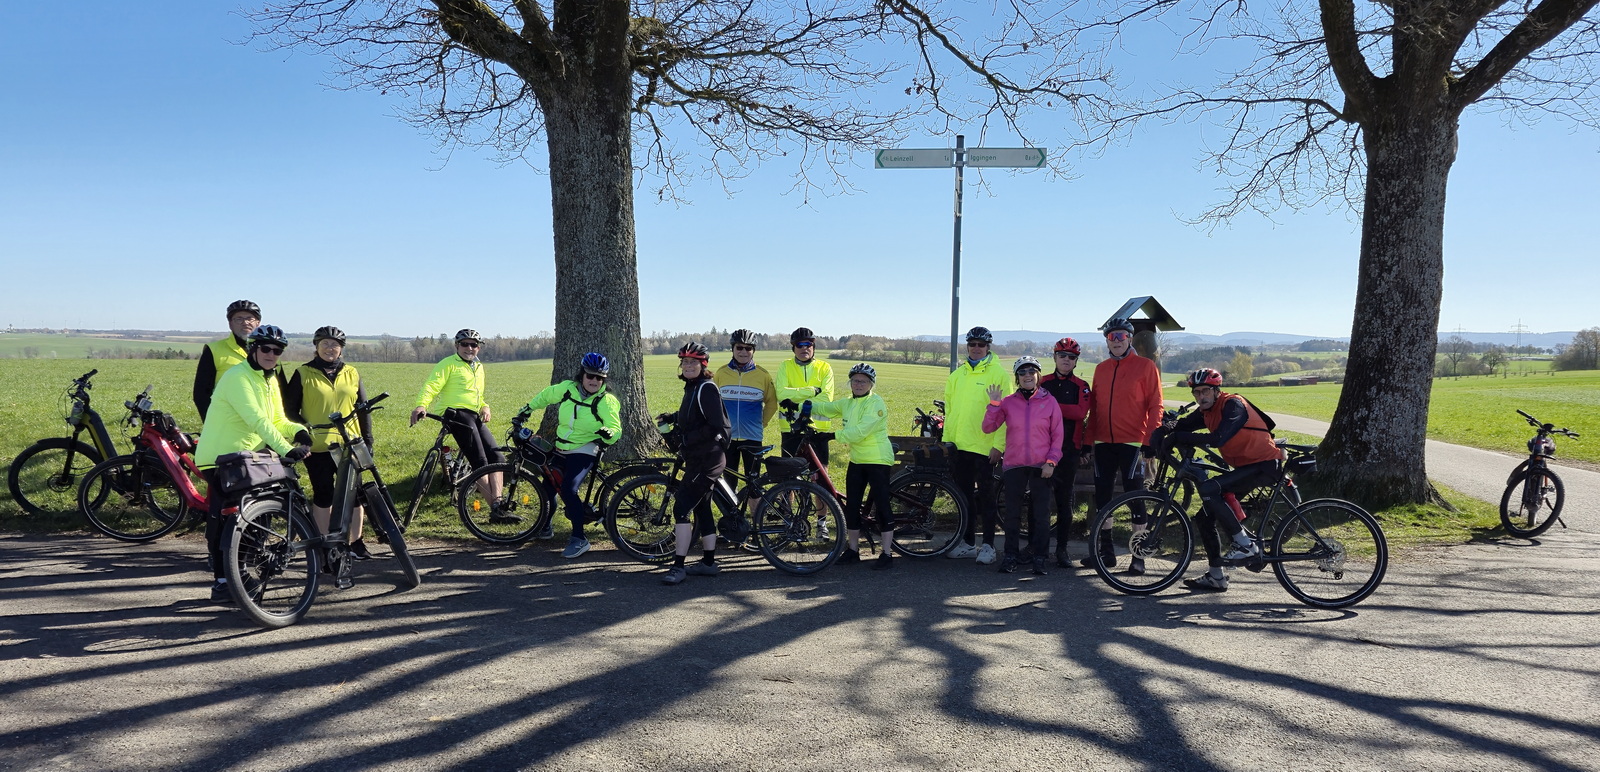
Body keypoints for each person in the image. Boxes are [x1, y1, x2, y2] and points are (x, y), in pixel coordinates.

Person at [194, 324, 310, 602]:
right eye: (266, 348)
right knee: (229, 518)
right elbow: (256, 420)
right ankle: (223, 581)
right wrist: (285, 448)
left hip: (249, 457)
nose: (272, 354)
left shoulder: (269, 379)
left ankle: (241, 571)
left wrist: (300, 432)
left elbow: (278, 419)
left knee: (259, 516)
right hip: (220, 458)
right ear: (253, 349)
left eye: (278, 350)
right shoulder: (237, 377)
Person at [1161, 368, 1283, 592]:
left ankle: (1244, 545)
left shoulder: (1233, 404)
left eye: (1205, 391)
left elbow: (1219, 438)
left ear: (1216, 390)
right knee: (1204, 517)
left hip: (1264, 464)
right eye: (1196, 393)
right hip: (1246, 466)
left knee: (1209, 488)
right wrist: (1165, 428)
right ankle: (1217, 577)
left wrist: (1179, 436)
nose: (1201, 397)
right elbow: (1183, 425)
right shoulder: (1206, 410)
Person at [283, 326, 377, 561]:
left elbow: (363, 409)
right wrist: (304, 431)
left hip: (350, 444)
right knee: (323, 494)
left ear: (341, 349)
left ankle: (356, 543)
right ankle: (324, 545)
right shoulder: (303, 373)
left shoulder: (352, 372)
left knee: (355, 495)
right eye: (324, 343)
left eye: (335, 344)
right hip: (318, 445)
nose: (330, 348)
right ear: (316, 346)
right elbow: (289, 411)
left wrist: (368, 440)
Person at [516, 352, 622, 559]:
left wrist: (609, 434)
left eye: (599, 378)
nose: (594, 381)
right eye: (590, 376)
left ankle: (579, 539)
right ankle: (544, 528)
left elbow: (615, 427)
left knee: (568, 489)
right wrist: (527, 409)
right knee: (547, 488)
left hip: (585, 449)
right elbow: (546, 396)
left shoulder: (606, 401)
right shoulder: (567, 389)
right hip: (561, 447)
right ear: (582, 375)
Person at [1082, 318, 1165, 573]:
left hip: (1132, 441)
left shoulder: (1145, 366)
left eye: (1121, 336)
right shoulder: (1102, 369)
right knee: (1104, 498)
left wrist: (1151, 439)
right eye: (1111, 337)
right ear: (1107, 341)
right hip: (1104, 442)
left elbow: (1155, 405)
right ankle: (1106, 553)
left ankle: (1138, 556)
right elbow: (1094, 409)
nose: (1116, 341)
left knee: (1134, 498)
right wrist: (1087, 442)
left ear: (1130, 338)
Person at [804, 363, 896, 570]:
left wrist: (831, 435)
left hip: (878, 459)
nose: (858, 384)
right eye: (855, 380)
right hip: (857, 460)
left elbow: (859, 431)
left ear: (871, 383)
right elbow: (828, 408)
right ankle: (853, 550)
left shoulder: (876, 403)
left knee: (882, 506)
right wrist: (805, 405)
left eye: (863, 381)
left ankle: (887, 553)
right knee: (852, 506)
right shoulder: (847, 403)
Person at [657, 342, 732, 585]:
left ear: (703, 365)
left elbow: (715, 424)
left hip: (707, 460)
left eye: (693, 363)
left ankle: (678, 566)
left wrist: (687, 438)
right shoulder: (693, 387)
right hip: (698, 458)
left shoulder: (706, 388)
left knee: (681, 509)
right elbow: (694, 415)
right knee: (702, 508)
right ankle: (709, 563)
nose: (688, 366)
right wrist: (674, 418)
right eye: (685, 362)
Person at [983, 356, 1064, 575]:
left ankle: (1039, 557)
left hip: (1041, 466)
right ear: (1017, 378)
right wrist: (994, 404)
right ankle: (1010, 555)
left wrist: (1051, 462)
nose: (1027, 376)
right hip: (1014, 465)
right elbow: (988, 427)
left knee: (1041, 515)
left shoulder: (1050, 401)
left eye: (1031, 372)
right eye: (1022, 373)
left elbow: (1057, 436)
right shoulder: (1008, 402)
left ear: (1038, 375)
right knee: (1012, 515)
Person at [410, 329, 503, 516]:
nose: (469, 348)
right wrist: (421, 405)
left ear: (479, 348)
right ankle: (496, 509)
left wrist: (485, 406)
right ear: (457, 346)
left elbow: (477, 395)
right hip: (455, 413)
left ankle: (500, 503)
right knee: (481, 462)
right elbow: (431, 386)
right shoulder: (448, 364)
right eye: (465, 344)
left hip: (473, 414)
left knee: (498, 458)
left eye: (474, 345)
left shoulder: (478, 367)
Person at [943, 326, 1012, 565]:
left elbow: (1005, 414)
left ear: (988, 347)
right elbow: (950, 412)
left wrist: (998, 446)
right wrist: (947, 442)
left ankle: (989, 546)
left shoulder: (998, 374)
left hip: (984, 448)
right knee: (964, 498)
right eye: (972, 344)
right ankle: (969, 543)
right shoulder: (957, 375)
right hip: (959, 446)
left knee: (986, 497)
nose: (976, 348)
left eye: (981, 345)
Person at [1039, 337, 1092, 567]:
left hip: (1069, 451)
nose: (1066, 360)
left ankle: (1062, 549)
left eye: (1071, 357)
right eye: (1062, 356)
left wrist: (1049, 405)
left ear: (1076, 361)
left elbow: (1081, 413)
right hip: (1042, 449)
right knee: (1039, 501)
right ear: (1055, 357)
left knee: (1064, 503)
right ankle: (1036, 546)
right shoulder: (1043, 382)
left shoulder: (1082, 386)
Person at [714, 329, 777, 490]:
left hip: (753, 437)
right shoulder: (721, 373)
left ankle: (755, 515)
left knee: (754, 483)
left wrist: (761, 423)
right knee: (729, 482)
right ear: (733, 349)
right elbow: (713, 403)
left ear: (753, 351)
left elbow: (771, 403)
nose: (743, 351)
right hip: (728, 436)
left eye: (748, 348)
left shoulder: (762, 375)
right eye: (739, 347)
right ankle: (731, 515)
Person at [773, 327, 836, 465]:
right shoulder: (785, 366)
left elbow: (826, 398)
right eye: (799, 345)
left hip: (818, 430)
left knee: (819, 479)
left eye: (808, 344)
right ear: (793, 348)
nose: (804, 348)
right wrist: (812, 391)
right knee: (789, 477)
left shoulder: (825, 367)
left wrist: (796, 400)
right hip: (791, 429)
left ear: (813, 347)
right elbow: (782, 394)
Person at [194, 299, 264, 421]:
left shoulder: (270, 351)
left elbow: (281, 391)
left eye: (249, 318)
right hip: (227, 423)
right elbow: (201, 394)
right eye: (239, 319)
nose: (245, 322)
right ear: (230, 324)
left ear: (258, 323)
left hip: (264, 424)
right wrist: (211, 423)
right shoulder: (214, 350)